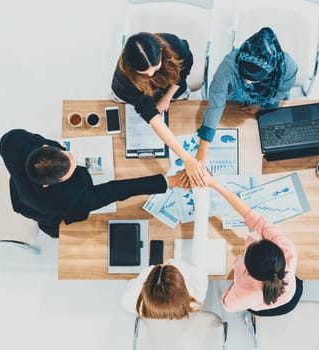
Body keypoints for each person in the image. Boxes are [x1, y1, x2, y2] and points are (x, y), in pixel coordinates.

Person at [0, 129, 185, 238]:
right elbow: (115, 191)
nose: (74, 161)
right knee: (60, 228)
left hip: (19, 184)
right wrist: (169, 182)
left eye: (67, 156)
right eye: (71, 170)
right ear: (49, 185)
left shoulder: (12, 140)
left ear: (46, 148)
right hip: (37, 209)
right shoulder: (69, 199)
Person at [112, 32, 206, 187]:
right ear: (131, 67)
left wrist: (168, 97)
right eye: (144, 72)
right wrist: (188, 160)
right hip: (137, 95)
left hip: (169, 86)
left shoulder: (173, 44)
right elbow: (151, 116)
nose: (150, 74)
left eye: (155, 68)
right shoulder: (125, 80)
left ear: (161, 52)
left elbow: (185, 67)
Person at [195, 27, 298, 163]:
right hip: (235, 96)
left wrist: (262, 106)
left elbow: (281, 92)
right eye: (244, 76)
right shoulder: (229, 65)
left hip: (266, 98)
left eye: (253, 79)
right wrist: (202, 151)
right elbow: (216, 104)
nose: (247, 82)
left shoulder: (288, 68)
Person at [206, 173, 302, 316]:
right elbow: (251, 215)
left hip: (269, 305)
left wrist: (238, 279)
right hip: (291, 293)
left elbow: (226, 302)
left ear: (248, 270)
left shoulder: (245, 293)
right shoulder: (287, 250)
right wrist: (216, 185)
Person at [121, 188, 209, 319]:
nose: (164, 263)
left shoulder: (130, 301)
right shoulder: (198, 290)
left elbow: (131, 283)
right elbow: (201, 234)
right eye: (168, 266)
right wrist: (201, 190)